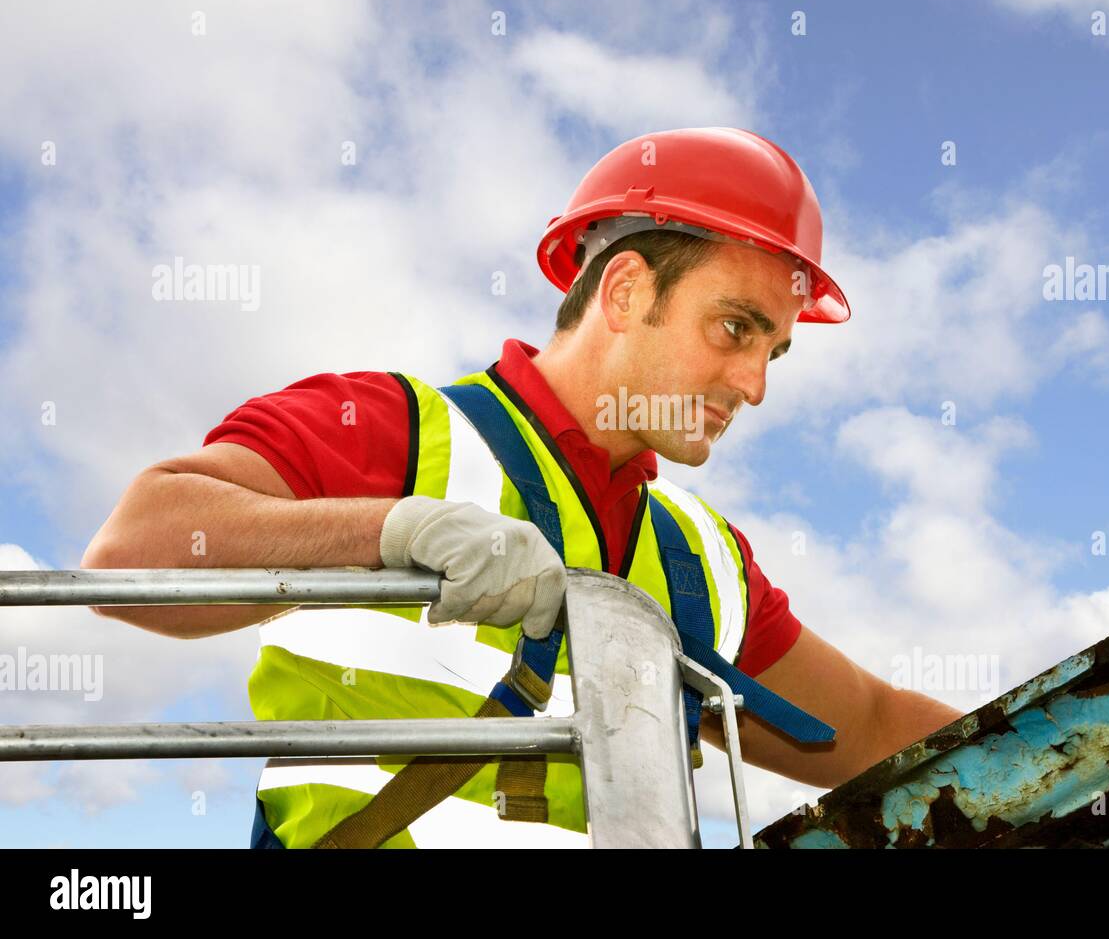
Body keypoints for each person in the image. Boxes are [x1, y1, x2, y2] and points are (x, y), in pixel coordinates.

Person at [82, 127, 962, 848]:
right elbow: (134, 554)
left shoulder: (703, 560)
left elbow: (878, 725)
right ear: (625, 290)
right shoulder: (397, 430)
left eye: (773, 350)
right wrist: (394, 531)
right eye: (735, 327)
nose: (755, 383)